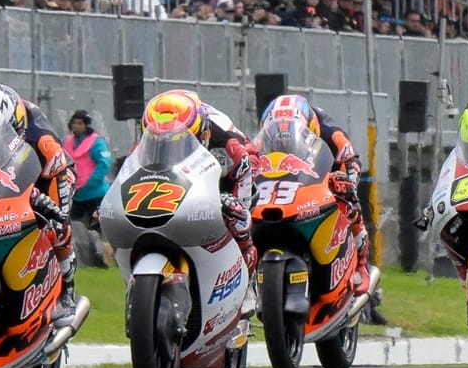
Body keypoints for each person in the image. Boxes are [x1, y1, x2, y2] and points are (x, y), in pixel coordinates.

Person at [0, 85, 78, 323]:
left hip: (49, 173)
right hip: (0, 172)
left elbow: (55, 175)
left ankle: (67, 288)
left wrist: (47, 203)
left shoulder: (42, 139)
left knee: (58, 225)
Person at [142, 90, 260, 288]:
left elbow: (246, 169)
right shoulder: (150, 140)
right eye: (160, 140)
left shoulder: (228, 144)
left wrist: (236, 204)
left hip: (229, 174)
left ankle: (248, 284)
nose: (169, 145)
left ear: (202, 133)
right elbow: (130, 171)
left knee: (237, 216)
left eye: (178, 139)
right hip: (176, 176)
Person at [258, 94, 370, 297]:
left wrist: (346, 181)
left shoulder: (330, 132)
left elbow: (351, 159)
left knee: (349, 201)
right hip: (284, 182)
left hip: (326, 172)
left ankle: (362, 264)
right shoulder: (266, 135)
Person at [63, 110, 113, 268]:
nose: (76, 126)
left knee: (98, 228)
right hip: (74, 193)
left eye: (80, 123)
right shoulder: (67, 141)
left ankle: (105, 257)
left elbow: (104, 164)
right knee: (72, 225)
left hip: (94, 192)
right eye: (74, 123)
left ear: (86, 125)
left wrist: (91, 182)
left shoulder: (96, 142)